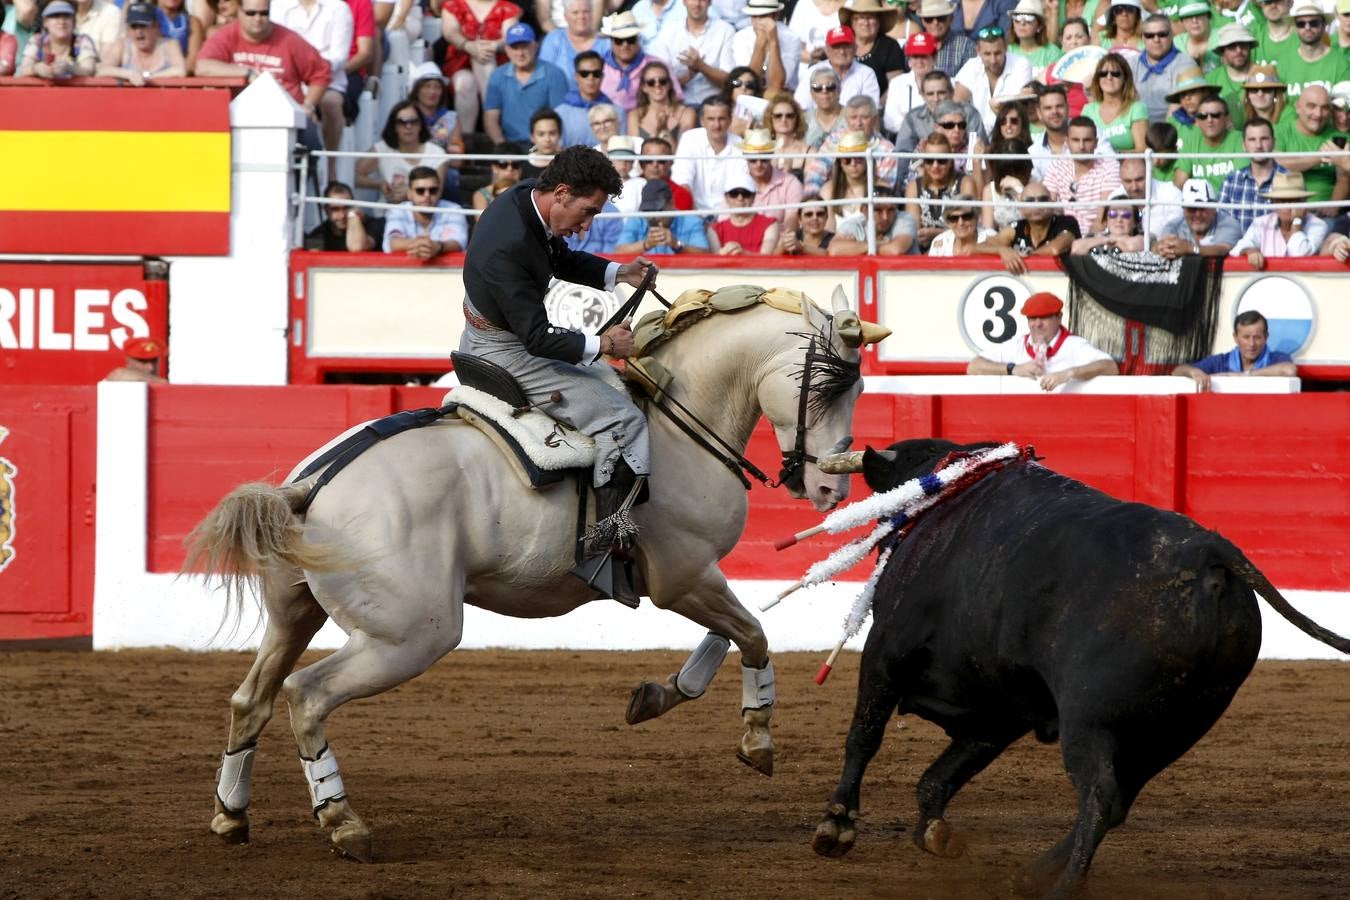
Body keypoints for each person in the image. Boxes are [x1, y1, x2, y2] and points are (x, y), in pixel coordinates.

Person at [458, 145, 655, 606]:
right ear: (562, 193)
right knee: (623, 420)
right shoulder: (510, 243)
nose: (587, 225)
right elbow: (538, 339)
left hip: (493, 332)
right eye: (586, 212)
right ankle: (602, 552)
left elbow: (558, 258)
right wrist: (604, 344)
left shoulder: (529, 199)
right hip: (508, 350)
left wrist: (618, 271)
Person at [196, 0, 330, 152]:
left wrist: (308, 105)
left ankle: (308, 173)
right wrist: (247, 72)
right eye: (251, 13)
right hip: (238, 117)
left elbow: (321, 72)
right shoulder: (226, 35)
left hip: (285, 117)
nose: (258, 18)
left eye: (264, 13)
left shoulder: (288, 39)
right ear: (239, 11)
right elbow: (202, 66)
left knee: (309, 133)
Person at [966, 291, 1119, 391]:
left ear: (1059, 318)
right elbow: (974, 366)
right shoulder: (1018, 344)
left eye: (1044, 317)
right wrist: (1013, 369)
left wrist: (1069, 373)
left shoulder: (1073, 345)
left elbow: (1110, 367)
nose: (1037, 324)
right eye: (1032, 318)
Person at [272, 0, 353, 181]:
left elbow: (339, 57)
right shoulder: (278, 6)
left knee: (330, 103)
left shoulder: (338, 8)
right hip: (288, 79)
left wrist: (309, 68)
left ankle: (331, 172)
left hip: (329, 80)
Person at [439, 0, 523, 137]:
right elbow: (450, 33)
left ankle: (492, 120)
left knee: (484, 58)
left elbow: (509, 36)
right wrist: (470, 46)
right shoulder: (453, 5)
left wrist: (492, 46)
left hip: (497, 62)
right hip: (460, 62)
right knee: (464, 82)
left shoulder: (507, 8)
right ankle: (467, 138)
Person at [485, 23, 570, 143]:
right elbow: (491, 119)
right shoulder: (497, 76)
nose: (520, 53)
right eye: (515, 47)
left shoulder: (554, 74)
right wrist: (504, 149)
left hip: (545, 145)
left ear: (535, 46)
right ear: (507, 50)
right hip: (510, 145)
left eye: (525, 46)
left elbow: (561, 117)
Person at [1172, 309, 1297, 390]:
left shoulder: (1276, 359)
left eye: (1257, 337)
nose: (1252, 344)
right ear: (1236, 337)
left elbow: (1289, 370)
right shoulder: (1221, 361)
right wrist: (1194, 372)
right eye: (1246, 337)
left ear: (1266, 337)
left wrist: (1243, 376)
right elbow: (1176, 372)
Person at [355, 101, 451, 205]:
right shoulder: (382, 149)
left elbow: (437, 193)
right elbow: (354, 176)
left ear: (421, 125)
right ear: (394, 127)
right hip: (388, 213)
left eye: (413, 121)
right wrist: (380, 184)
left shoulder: (437, 154)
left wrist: (409, 193)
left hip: (425, 213)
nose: (408, 126)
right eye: (402, 122)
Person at [977, 179, 1082, 273]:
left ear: (1052, 203)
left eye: (1043, 199)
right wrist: (1002, 250)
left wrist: (1025, 257)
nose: (1037, 204)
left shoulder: (1066, 222)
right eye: (1030, 201)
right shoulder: (1017, 227)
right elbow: (977, 247)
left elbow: (1055, 249)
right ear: (1021, 208)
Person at [1042, 116, 1121, 236]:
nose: (1081, 146)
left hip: (1096, 238)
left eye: (1087, 140)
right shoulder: (1057, 166)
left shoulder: (1110, 167)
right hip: (1062, 235)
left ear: (1096, 143)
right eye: (1075, 140)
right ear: (1067, 142)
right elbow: (1046, 206)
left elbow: (1102, 220)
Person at [1229, 171, 1328, 267]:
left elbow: (1300, 255)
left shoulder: (1317, 225)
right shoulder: (1261, 223)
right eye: (1282, 201)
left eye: (1294, 201)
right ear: (1273, 203)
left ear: (1303, 202)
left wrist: (1297, 222)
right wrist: (1249, 250)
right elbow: (1237, 249)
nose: (1288, 206)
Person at [804, 94, 898, 193]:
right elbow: (816, 172)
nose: (858, 123)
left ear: (874, 119)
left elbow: (885, 186)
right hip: (836, 196)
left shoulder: (886, 149)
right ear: (846, 119)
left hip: (871, 200)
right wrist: (813, 200)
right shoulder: (834, 140)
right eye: (853, 117)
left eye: (865, 117)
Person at [650, 0, 735, 107]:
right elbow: (659, 81)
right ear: (684, 1)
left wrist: (701, 66)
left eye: (702, 0)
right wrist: (688, 76)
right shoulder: (668, 32)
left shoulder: (725, 30)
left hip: (715, 106)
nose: (697, 4)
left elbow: (730, 82)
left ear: (710, 2)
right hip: (680, 106)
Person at [1275, 86, 1349, 206]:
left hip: (1325, 210)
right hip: (1286, 208)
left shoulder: (1338, 137)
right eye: (1311, 106)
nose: (1318, 114)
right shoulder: (1280, 131)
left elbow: (1344, 179)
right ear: (1298, 107)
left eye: (1324, 108)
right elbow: (1276, 166)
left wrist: (1332, 207)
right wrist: (1319, 158)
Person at [952, 25, 1033, 134]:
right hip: (976, 134)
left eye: (997, 53)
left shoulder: (1021, 64)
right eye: (987, 54)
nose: (993, 60)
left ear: (1006, 48)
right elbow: (957, 105)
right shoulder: (971, 66)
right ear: (978, 51)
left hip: (1009, 133)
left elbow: (1015, 108)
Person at [905, 130, 977, 250]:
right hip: (923, 255)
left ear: (950, 162)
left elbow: (968, 228)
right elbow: (917, 233)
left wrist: (935, 233)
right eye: (929, 160)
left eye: (941, 160)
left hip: (957, 250)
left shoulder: (965, 183)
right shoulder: (914, 186)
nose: (935, 166)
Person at [671, 95, 742, 210]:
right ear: (702, 121)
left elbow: (740, 187)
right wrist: (696, 219)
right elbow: (682, 183)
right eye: (711, 119)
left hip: (729, 215)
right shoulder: (690, 139)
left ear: (730, 120)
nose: (717, 125)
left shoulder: (740, 144)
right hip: (693, 213)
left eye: (722, 119)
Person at [382, 166, 469, 258]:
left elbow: (458, 243)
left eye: (433, 190)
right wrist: (426, 245)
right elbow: (394, 243)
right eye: (420, 190)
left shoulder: (453, 210)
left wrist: (438, 247)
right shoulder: (397, 211)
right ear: (409, 194)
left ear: (439, 192)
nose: (427, 195)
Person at [1217, 116, 1286, 233]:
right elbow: (1221, 224)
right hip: (1237, 248)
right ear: (1244, 145)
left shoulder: (1289, 179)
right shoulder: (1231, 181)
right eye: (1252, 140)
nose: (1258, 145)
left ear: (1273, 143)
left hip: (1275, 250)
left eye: (1264, 139)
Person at [794, 25, 881, 113]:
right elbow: (801, 107)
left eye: (846, 46)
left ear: (855, 48)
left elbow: (870, 111)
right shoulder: (813, 71)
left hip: (855, 124)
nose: (842, 51)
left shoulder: (866, 73)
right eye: (836, 46)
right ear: (827, 49)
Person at [1173, 95, 1247, 195]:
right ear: (1197, 122)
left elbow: (1242, 182)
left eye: (1215, 115)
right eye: (1203, 116)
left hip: (1230, 204)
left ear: (1227, 119)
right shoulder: (1190, 140)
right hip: (1199, 207)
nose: (1209, 120)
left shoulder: (1239, 139)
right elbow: (1178, 186)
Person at [98, 3, 186, 84]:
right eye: (134, 26)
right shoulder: (122, 46)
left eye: (143, 26)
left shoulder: (170, 45)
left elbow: (181, 71)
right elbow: (102, 70)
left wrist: (147, 77)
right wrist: (128, 74)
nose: (139, 32)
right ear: (128, 29)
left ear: (155, 26)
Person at [615, 178, 709, 253]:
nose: (653, 216)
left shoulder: (691, 221)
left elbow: (705, 254)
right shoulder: (637, 219)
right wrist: (646, 244)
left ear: (672, 203)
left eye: (658, 210)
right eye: (648, 211)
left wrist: (677, 244)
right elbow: (619, 251)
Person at [1156, 178, 1243, 258]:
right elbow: (1164, 246)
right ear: (1184, 210)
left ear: (1214, 207)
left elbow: (1222, 249)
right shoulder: (1174, 226)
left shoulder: (1229, 224)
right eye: (1191, 209)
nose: (1197, 215)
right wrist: (1160, 248)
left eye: (1202, 208)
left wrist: (1189, 248)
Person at [1281, 2, 1350, 102]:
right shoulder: (1284, 63)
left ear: (1324, 25)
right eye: (1301, 24)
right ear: (1295, 28)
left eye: (1314, 23)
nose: (1307, 27)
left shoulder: (1342, 64)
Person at [733, 0, 804, 93]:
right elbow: (748, 82)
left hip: (781, 97)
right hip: (750, 94)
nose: (758, 22)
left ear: (775, 15)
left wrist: (773, 42)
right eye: (754, 16)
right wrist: (760, 43)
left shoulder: (791, 38)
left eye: (763, 16)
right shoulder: (741, 37)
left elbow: (777, 84)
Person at [1131, 12, 1190, 122]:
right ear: (1143, 37)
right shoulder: (1133, 63)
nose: (1156, 39)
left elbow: (1179, 107)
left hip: (1169, 130)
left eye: (1162, 34)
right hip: (1137, 126)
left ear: (1172, 35)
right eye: (1150, 35)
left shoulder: (1185, 64)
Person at [1084, 51, 1147, 153]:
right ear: (1097, 79)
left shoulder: (1137, 108)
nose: (1109, 77)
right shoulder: (1088, 110)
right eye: (1103, 73)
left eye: (1115, 73)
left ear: (1125, 79)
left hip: (1128, 166)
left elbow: (1142, 150)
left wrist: (1112, 155)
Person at [706, 167, 780, 253]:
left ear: (753, 197)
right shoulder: (714, 230)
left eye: (746, 193)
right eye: (734, 193)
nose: (740, 198)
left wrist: (742, 253)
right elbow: (715, 263)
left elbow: (766, 259)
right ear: (726, 197)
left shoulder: (770, 225)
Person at [828, 184, 919, 255]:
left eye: (891, 210)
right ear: (864, 210)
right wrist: (880, 244)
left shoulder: (904, 218)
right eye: (878, 210)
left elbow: (895, 250)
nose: (885, 217)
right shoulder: (856, 223)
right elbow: (834, 249)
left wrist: (856, 247)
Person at [741, 128, 802, 230]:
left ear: (771, 156)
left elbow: (792, 221)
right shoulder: (737, 184)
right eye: (753, 159)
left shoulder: (791, 183)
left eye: (764, 159)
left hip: (779, 242)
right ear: (746, 158)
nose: (759, 164)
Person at [17, 1, 96, 79]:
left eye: (67, 16)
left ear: (74, 22)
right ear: (45, 22)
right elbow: (24, 68)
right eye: (55, 16)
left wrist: (69, 68)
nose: (61, 21)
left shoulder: (82, 41)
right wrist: (37, 69)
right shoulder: (37, 40)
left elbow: (89, 70)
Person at [841, 0, 904, 96]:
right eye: (861, 18)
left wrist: (877, 105)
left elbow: (896, 85)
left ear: (879, 21)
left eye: (871, 17)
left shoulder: (890, 46)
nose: (866, 23)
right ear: (852, 21)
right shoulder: (841, 44)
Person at [598, 11, 657, 112]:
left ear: (638, 40)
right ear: (611, 42)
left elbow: (674, 99)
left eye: (630, 39)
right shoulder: (598, 67)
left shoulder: (656, 65)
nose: (625, 45)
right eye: (619, 40)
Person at [555, 49, 615, 147]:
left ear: (602, 76)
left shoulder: (617, 111)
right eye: (584, 74)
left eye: (596, 73)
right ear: (576, 77)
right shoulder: (560, 114)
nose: (590, 78)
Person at [628, 58, 695, 144]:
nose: (657, 85)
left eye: (662, 81)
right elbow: (635, 155)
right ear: (643, 87)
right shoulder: (634, 115)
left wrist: (664, 130)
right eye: (651, 82)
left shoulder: (687, 113)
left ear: (670, 84)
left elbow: (682, 153)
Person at [409, 61, 466, 160]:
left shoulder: (451, 118)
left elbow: (458, 159)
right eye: (427, 86)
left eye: (437, 87)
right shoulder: (407, 115)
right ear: (417, 90)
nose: (432, 92)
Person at [1116, 156, 1182, 240]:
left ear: (1150, 174)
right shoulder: (1114, 199)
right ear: (1121, 180)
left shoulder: (1172, 194)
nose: (1134, 187)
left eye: (1139, 180)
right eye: (1128, 181)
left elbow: (1175, 235)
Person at [883, 31, 937, 133]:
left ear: (934, 58)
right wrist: (924, 127)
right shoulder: (897, 83)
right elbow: (889, 122)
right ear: (909, 60)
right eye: (915, 56)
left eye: (924, 56)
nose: (919, 61)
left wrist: (907, 119)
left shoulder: (948, 82)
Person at [1206, 23, 1259, 126]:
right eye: (1232, 47)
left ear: (1250, 47)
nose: (1238, 50)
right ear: (1222, 51)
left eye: (1243, 45)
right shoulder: (1210, 80)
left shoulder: (1264, 75)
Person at [538, 0, 608, 74]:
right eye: (575, 13)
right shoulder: (553, 40)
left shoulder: (605, 43)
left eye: (586, 12)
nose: (581, 16)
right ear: (565, 16)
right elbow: (543, 75)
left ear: (592, 14)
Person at [305, 181, 378, 251]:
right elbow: (312, 260)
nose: (342, 215)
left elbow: (357, 247)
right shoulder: (317, 235)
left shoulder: (371, 225)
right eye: (335, 209)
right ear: (326, 210)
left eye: (346, 207)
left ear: (353, 206)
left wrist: (354, 216)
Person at [1070, 187, 1142, 254]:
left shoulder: (1144, 238)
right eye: (1113, 214)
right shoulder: (1095, 237)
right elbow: (1075, 248)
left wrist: (1112, 240)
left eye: (1126, 215)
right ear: (1105, 221)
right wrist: (1106, 240)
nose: (1119, 219)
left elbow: (1132, 247)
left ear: (1135, 222)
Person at [980, 137, 1032, 230]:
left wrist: (1018, 188)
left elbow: (1036, 217)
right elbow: (988, 230)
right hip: (1001, 241)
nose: (1011, 176)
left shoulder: (1036, 184)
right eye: (1006, 172)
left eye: (1016, 171)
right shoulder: (990, 191)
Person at [1006, 0, 1060, 82]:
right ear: (1013, 25)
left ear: (1039, 26)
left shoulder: (1053, 53)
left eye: (1029, 18)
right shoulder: (1006, 51)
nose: (1022, 23)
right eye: (1017, 17)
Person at [918, 0, 975, 76]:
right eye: (929, 19)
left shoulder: (966, 46)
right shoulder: (913, 45)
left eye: (941, 18)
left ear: (951, 19)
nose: (935, 23)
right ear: (923, 21)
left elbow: (971, 80)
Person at [928, 193, 997, 255]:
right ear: (948, 222)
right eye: (954, 218)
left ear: (976, 218)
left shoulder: (991, 237)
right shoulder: (940, 242)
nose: (961, 223)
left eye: (967, 217)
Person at [764, 90, 810, 176]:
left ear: (797, 119)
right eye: (778, 116)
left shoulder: (809, 152)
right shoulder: (762, 151)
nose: (784, 120)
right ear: (770, 119)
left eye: (789, 116)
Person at [802, 66, 847, 146]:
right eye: (818, 88)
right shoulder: (804, 120)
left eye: (830, 87)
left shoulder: (853, 117)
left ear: (839, 90)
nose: (824, 91)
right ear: (812, 93)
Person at [474, 143, 524, 211]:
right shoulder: (481, 195)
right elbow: (482, 221)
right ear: (494, 168)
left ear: (521, 168)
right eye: (503, 164)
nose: (510, 168)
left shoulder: (529, 192)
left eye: (515, 164)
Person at [1174, 1, 1218, 70]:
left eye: (1199, 15)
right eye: (1189, 16)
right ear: (1182, 22)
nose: (1194, 21)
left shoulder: (1223, 37)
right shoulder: (1176, 43)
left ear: (1208, 17)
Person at [523, 108, 565, 176]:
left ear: (559, 134)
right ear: (532, 137)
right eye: (541, 134)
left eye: (552, 133)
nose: (547, 139)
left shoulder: (567, 163)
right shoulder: (522, 164)